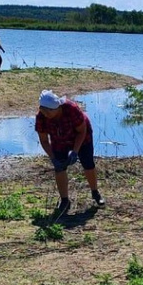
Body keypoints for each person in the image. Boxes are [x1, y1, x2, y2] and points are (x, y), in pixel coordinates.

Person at [35, 89, 105, 219]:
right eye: (44, 112)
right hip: (59, 139)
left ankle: (95, 193)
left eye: (49, 112)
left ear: (57, 108)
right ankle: (64, 200)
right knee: (59, 168)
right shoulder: (41, 117)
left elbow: (82, 131)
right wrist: (53, 158)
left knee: (88, 163)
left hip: (81, 136)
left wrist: (75, 151)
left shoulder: (72, 108)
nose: (46, 115)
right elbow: (44, 140)